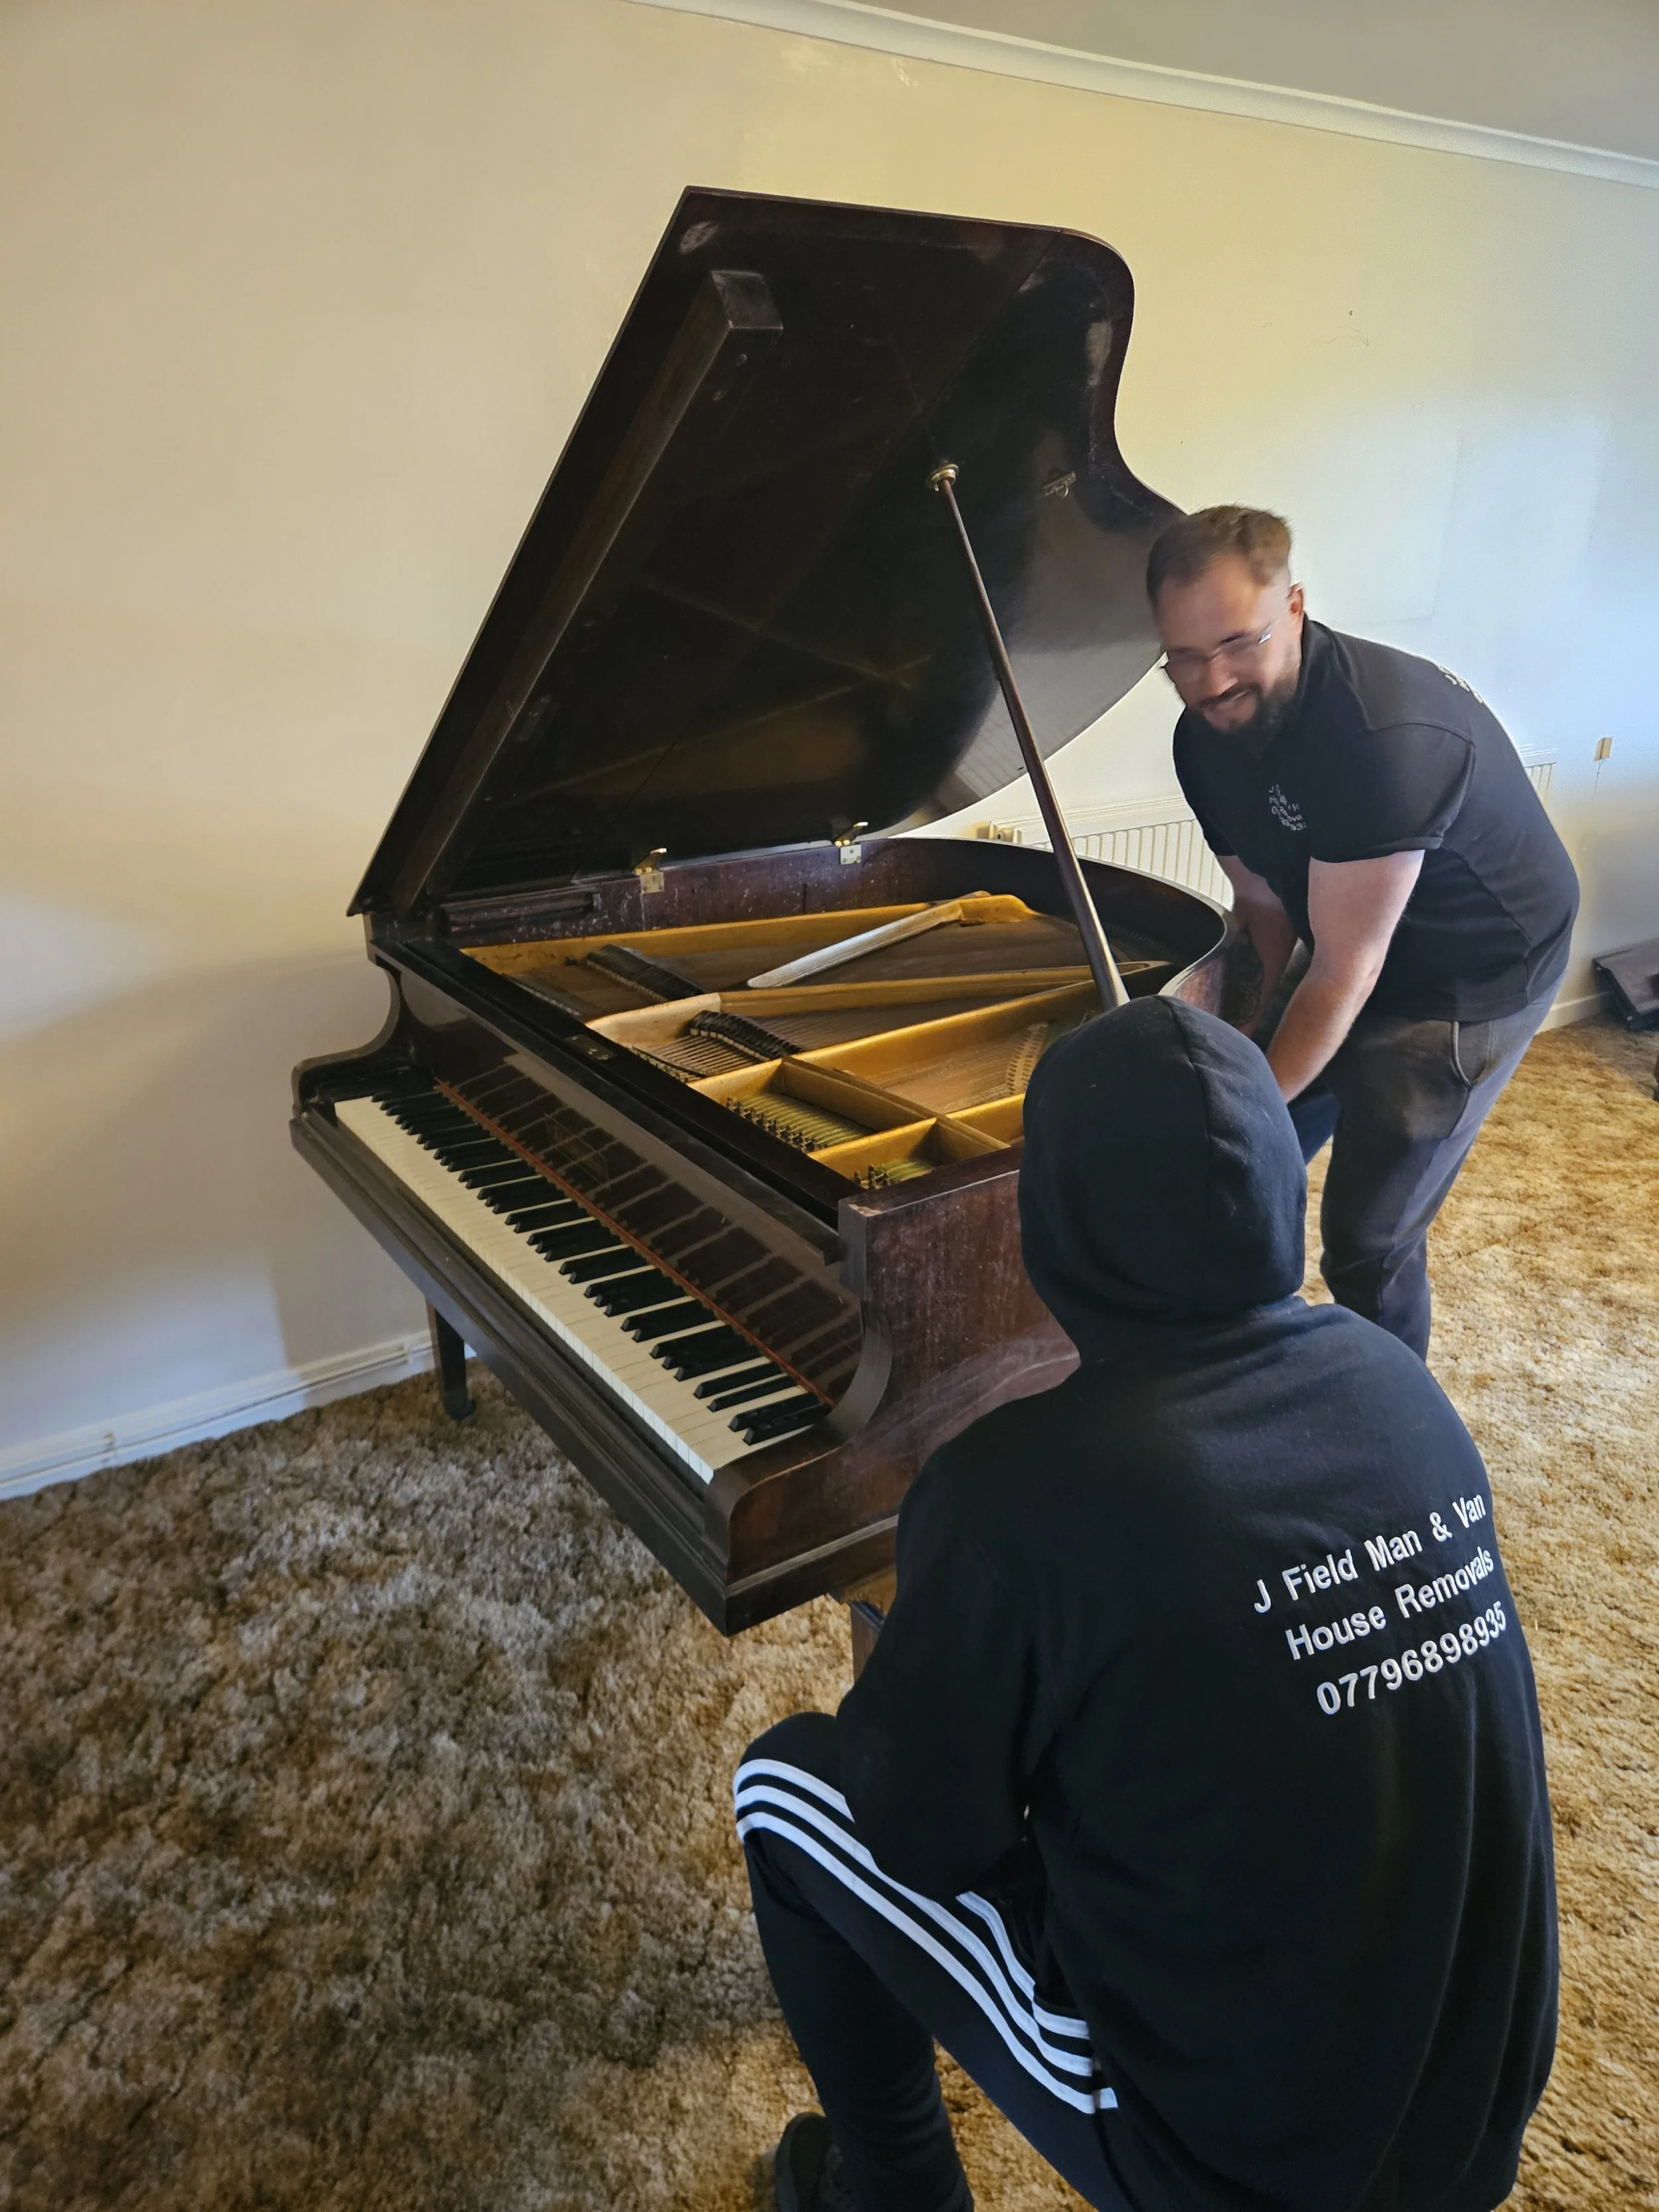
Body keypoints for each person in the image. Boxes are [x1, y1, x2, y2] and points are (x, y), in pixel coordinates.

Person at [737, 998, 1556, 2212]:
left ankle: (894, 2192)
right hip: (1479, 2111)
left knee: (782, 1789)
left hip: (1232, 2163)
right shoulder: (1397, 1380)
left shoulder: (1010, 1489)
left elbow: (920, 1838)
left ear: (1046, 1223)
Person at [1147, 507, 1579, 1357]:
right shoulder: (1201, 742)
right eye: (1184, 657)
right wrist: (1234, 1066)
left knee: (1368, 1244)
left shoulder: (1381, 740)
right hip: (1350, 938)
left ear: (1295, 608)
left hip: (1472, 971)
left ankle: (1392, 1418)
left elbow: (1345, 972)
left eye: (1237, 643)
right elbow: (1262, 911)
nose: (1212, 681)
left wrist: (1251, 1103)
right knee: (1231, 1158)